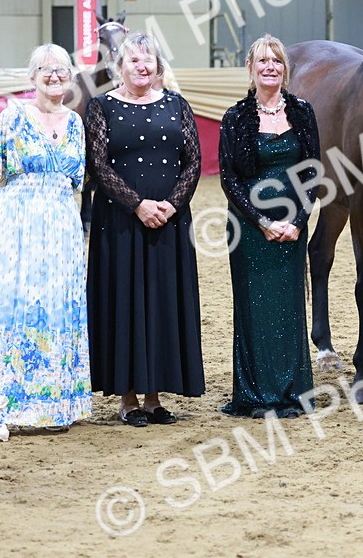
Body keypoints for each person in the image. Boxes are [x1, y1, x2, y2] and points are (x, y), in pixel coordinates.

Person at [85, 32, 204, 427]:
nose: (141, 65)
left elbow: (193, 162)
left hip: (170, 222)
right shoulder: (101, 107)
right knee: (125, 303)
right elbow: (98, 165)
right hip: (120, 223)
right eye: (133, 59)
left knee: (162, 303)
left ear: (158, 65)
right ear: (119, 66)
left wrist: (171, 204)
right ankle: (128, 399)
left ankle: (154, 398)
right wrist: (137, 204)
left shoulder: (177, 104)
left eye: (148, 59)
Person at [0, 44, 93, 442]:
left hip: (61, 226)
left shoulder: (76, 124)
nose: (54, 76)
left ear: (71, 77)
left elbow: (76, 183)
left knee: (58, 309)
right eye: (45, 69)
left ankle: (57, 405)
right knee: (14, 310)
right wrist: (0, 215)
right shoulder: (12, 116)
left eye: (61, 70)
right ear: (32, 77)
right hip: (16, 226)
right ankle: (5, 409)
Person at [218, 34, 321, 419]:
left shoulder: (303, 112)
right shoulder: (235, 117)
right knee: (253, 309)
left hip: (293, 227)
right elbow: (229, 179)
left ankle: (293, 391)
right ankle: (256, 395)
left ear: (285, 69)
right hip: (249, 228)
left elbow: (313, 171)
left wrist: (297, 221)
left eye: (276, 61)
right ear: (250, 68)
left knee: (290, 307)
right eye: (262, 61)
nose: (270, 67)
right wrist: (261, 221)